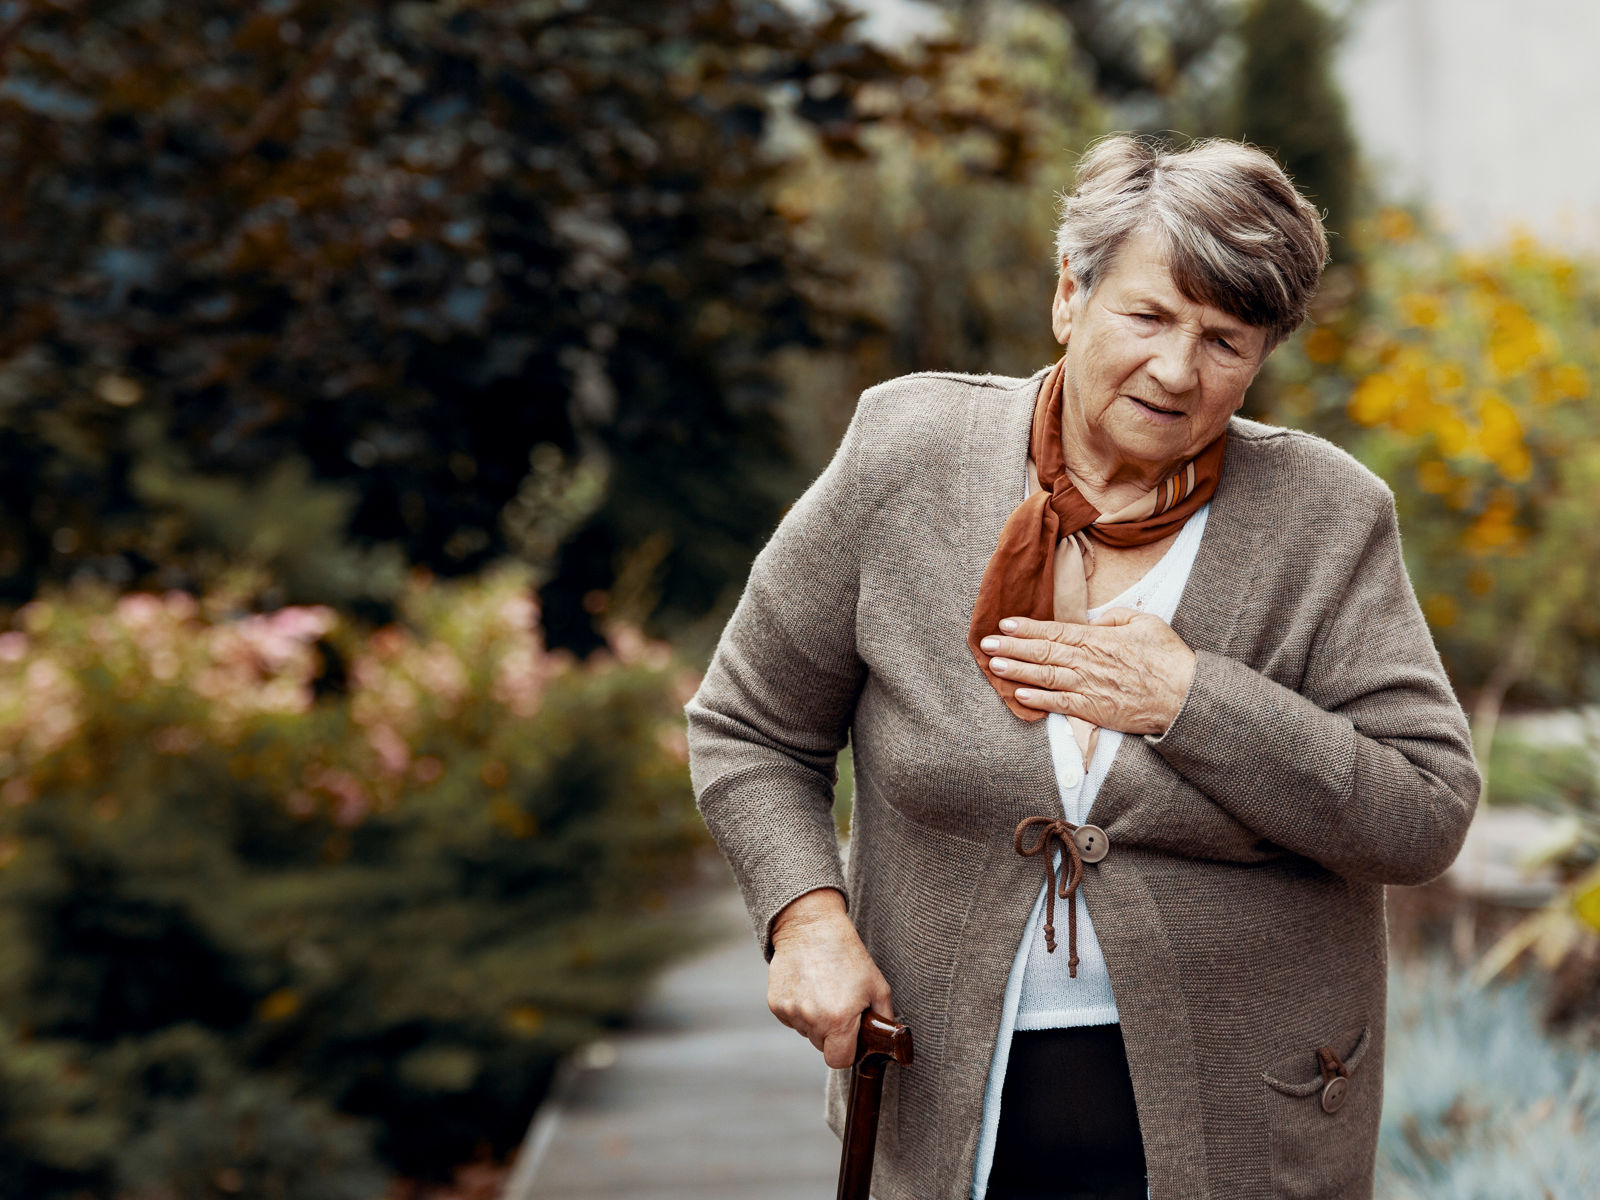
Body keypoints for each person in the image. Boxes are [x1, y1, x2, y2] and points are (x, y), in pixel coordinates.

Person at [684, 135, 1480, 1200]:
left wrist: (1189, 700)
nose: (1176, 370)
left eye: (1224, 340)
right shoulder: (909, 452)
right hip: (938, 1112)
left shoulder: (1326, 518)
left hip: (1250, 1128)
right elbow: (750, 725)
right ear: (1070, 293)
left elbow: (1423, 811)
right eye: (1148, 316)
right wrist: (805, 916)